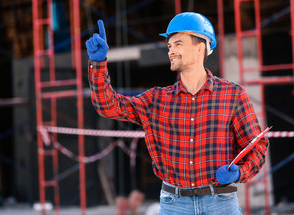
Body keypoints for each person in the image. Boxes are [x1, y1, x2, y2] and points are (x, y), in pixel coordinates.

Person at [86, 12, 269, 215]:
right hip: (175, 205)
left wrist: (239, 173)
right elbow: (108, 106)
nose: (171, 51)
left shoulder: (232, 95)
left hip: (221, 203)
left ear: (201, 47)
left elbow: (256, 146)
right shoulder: (157, 100)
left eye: (178, 44)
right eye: (169, 46)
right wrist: (98, 64)